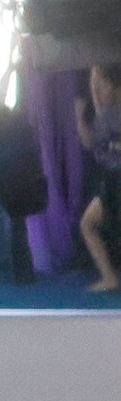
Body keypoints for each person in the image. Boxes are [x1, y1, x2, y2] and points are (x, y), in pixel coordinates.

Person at [75, 63, 121, 292]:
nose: (98, 91)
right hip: (112, 180)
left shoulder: (111, 115)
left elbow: (91, 140)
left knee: (88, 225)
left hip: (116, 179)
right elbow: (92, 142)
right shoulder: (108, 116)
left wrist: (82, 111)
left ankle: (110, 277)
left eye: (101, 86)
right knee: (89, 224)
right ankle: (110, 275)